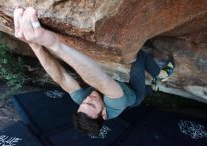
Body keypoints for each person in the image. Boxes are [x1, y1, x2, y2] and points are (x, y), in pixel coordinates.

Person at [13, 7, 174, 134]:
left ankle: (154, 86)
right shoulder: (115, 106)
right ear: (103, 114)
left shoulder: (83, 101)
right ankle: (161, 75)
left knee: (147, 84)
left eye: (84, 102)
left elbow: (61, 78)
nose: (88, 97)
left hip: (120, 88)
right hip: (133, 93)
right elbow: (100, 80)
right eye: (91, 104)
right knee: (140, 60)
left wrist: (34, 45)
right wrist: (55, 45)